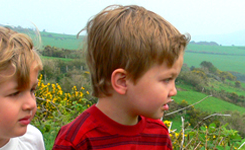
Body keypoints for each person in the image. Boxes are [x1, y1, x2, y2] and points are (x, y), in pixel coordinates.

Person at [52, 4, 189, 150]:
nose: (173, 91)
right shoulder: (76, 140)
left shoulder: (158, 135)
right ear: (122, 81)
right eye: (167, 79)